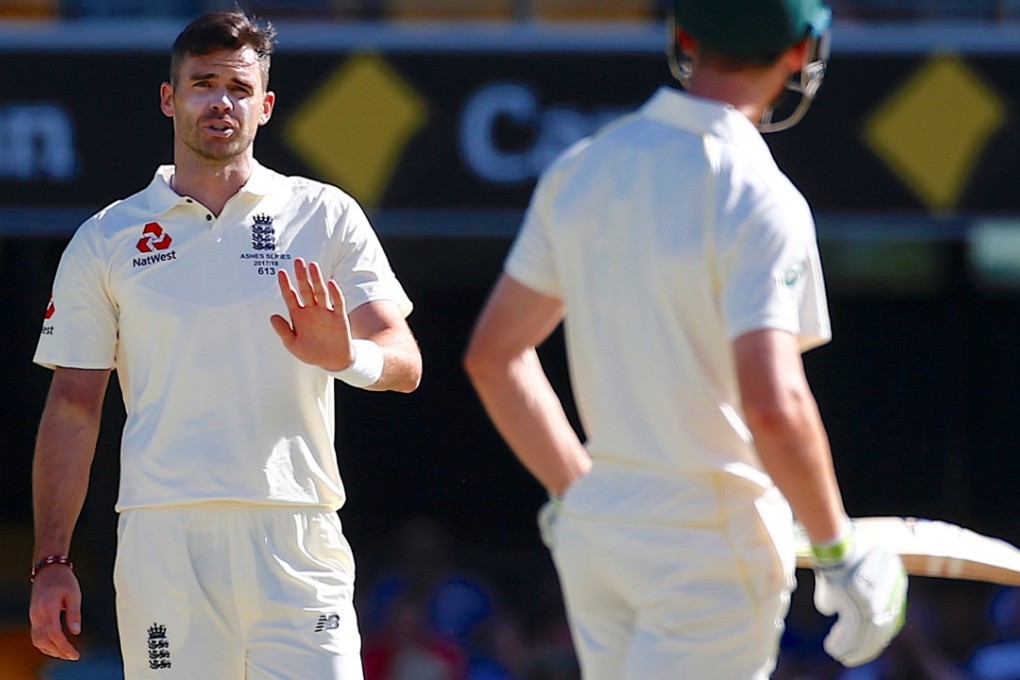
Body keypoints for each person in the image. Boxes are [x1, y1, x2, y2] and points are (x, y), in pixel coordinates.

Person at [463, 0, 907, 677]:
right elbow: (774, 404)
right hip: (708, 544)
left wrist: (579, 493)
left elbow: (493, 358)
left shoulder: (582, 166)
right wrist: (839, 554)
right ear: (800, 51)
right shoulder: (760, 195)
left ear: (685, 37)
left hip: (601, 533)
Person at [28, 10, 421, 679]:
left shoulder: (324, 213)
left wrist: (346, 357)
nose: (220, 102)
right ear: (168, 97)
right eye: (203, 83)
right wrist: (51, 561)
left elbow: (404, 362)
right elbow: (73, 405)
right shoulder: (107, 236)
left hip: (297, 529)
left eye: (239, 88)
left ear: (265, 107)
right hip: (164, 538)